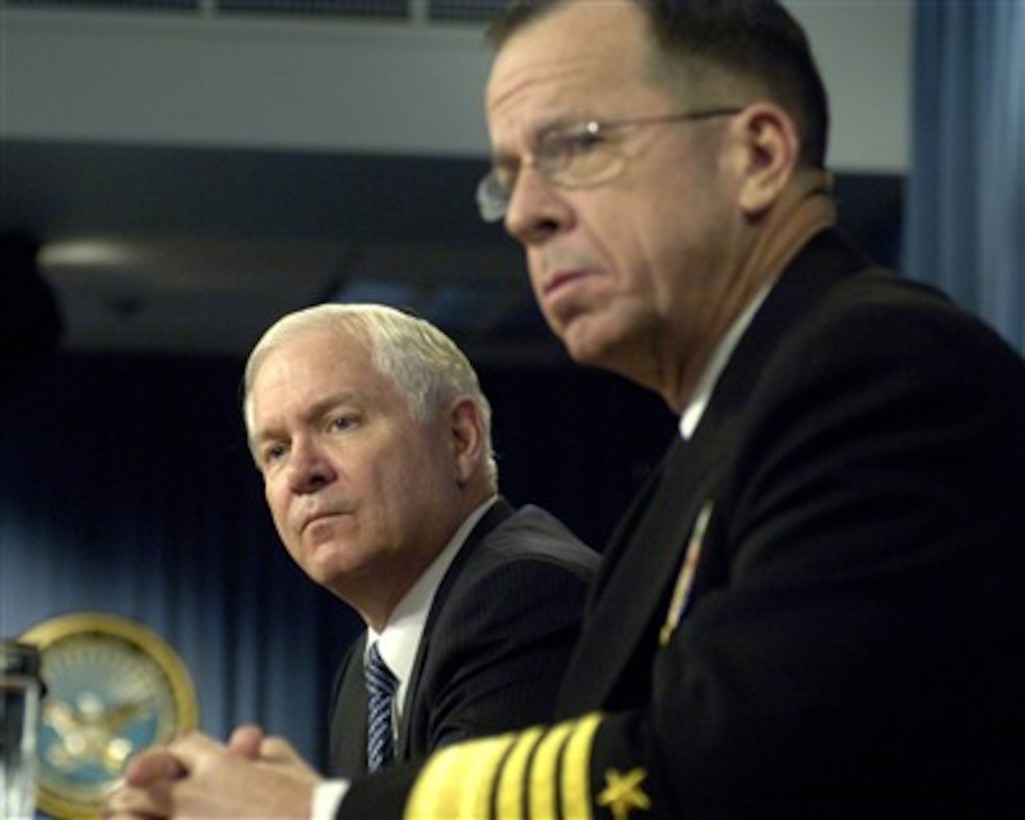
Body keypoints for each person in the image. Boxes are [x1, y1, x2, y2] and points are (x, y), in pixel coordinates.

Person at [108, 1, 1025, 818]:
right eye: (509, 174)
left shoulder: (880, 370)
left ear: (756, 155)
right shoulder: (715, 439)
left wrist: (318, 812)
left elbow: (730, 768)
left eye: (577, 144)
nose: (524, 215)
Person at [242, 303, 601, 773]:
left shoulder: (525, 595)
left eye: (340, 423)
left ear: (459, 437)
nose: (301, 472)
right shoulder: (364, 673)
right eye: (277, 450)